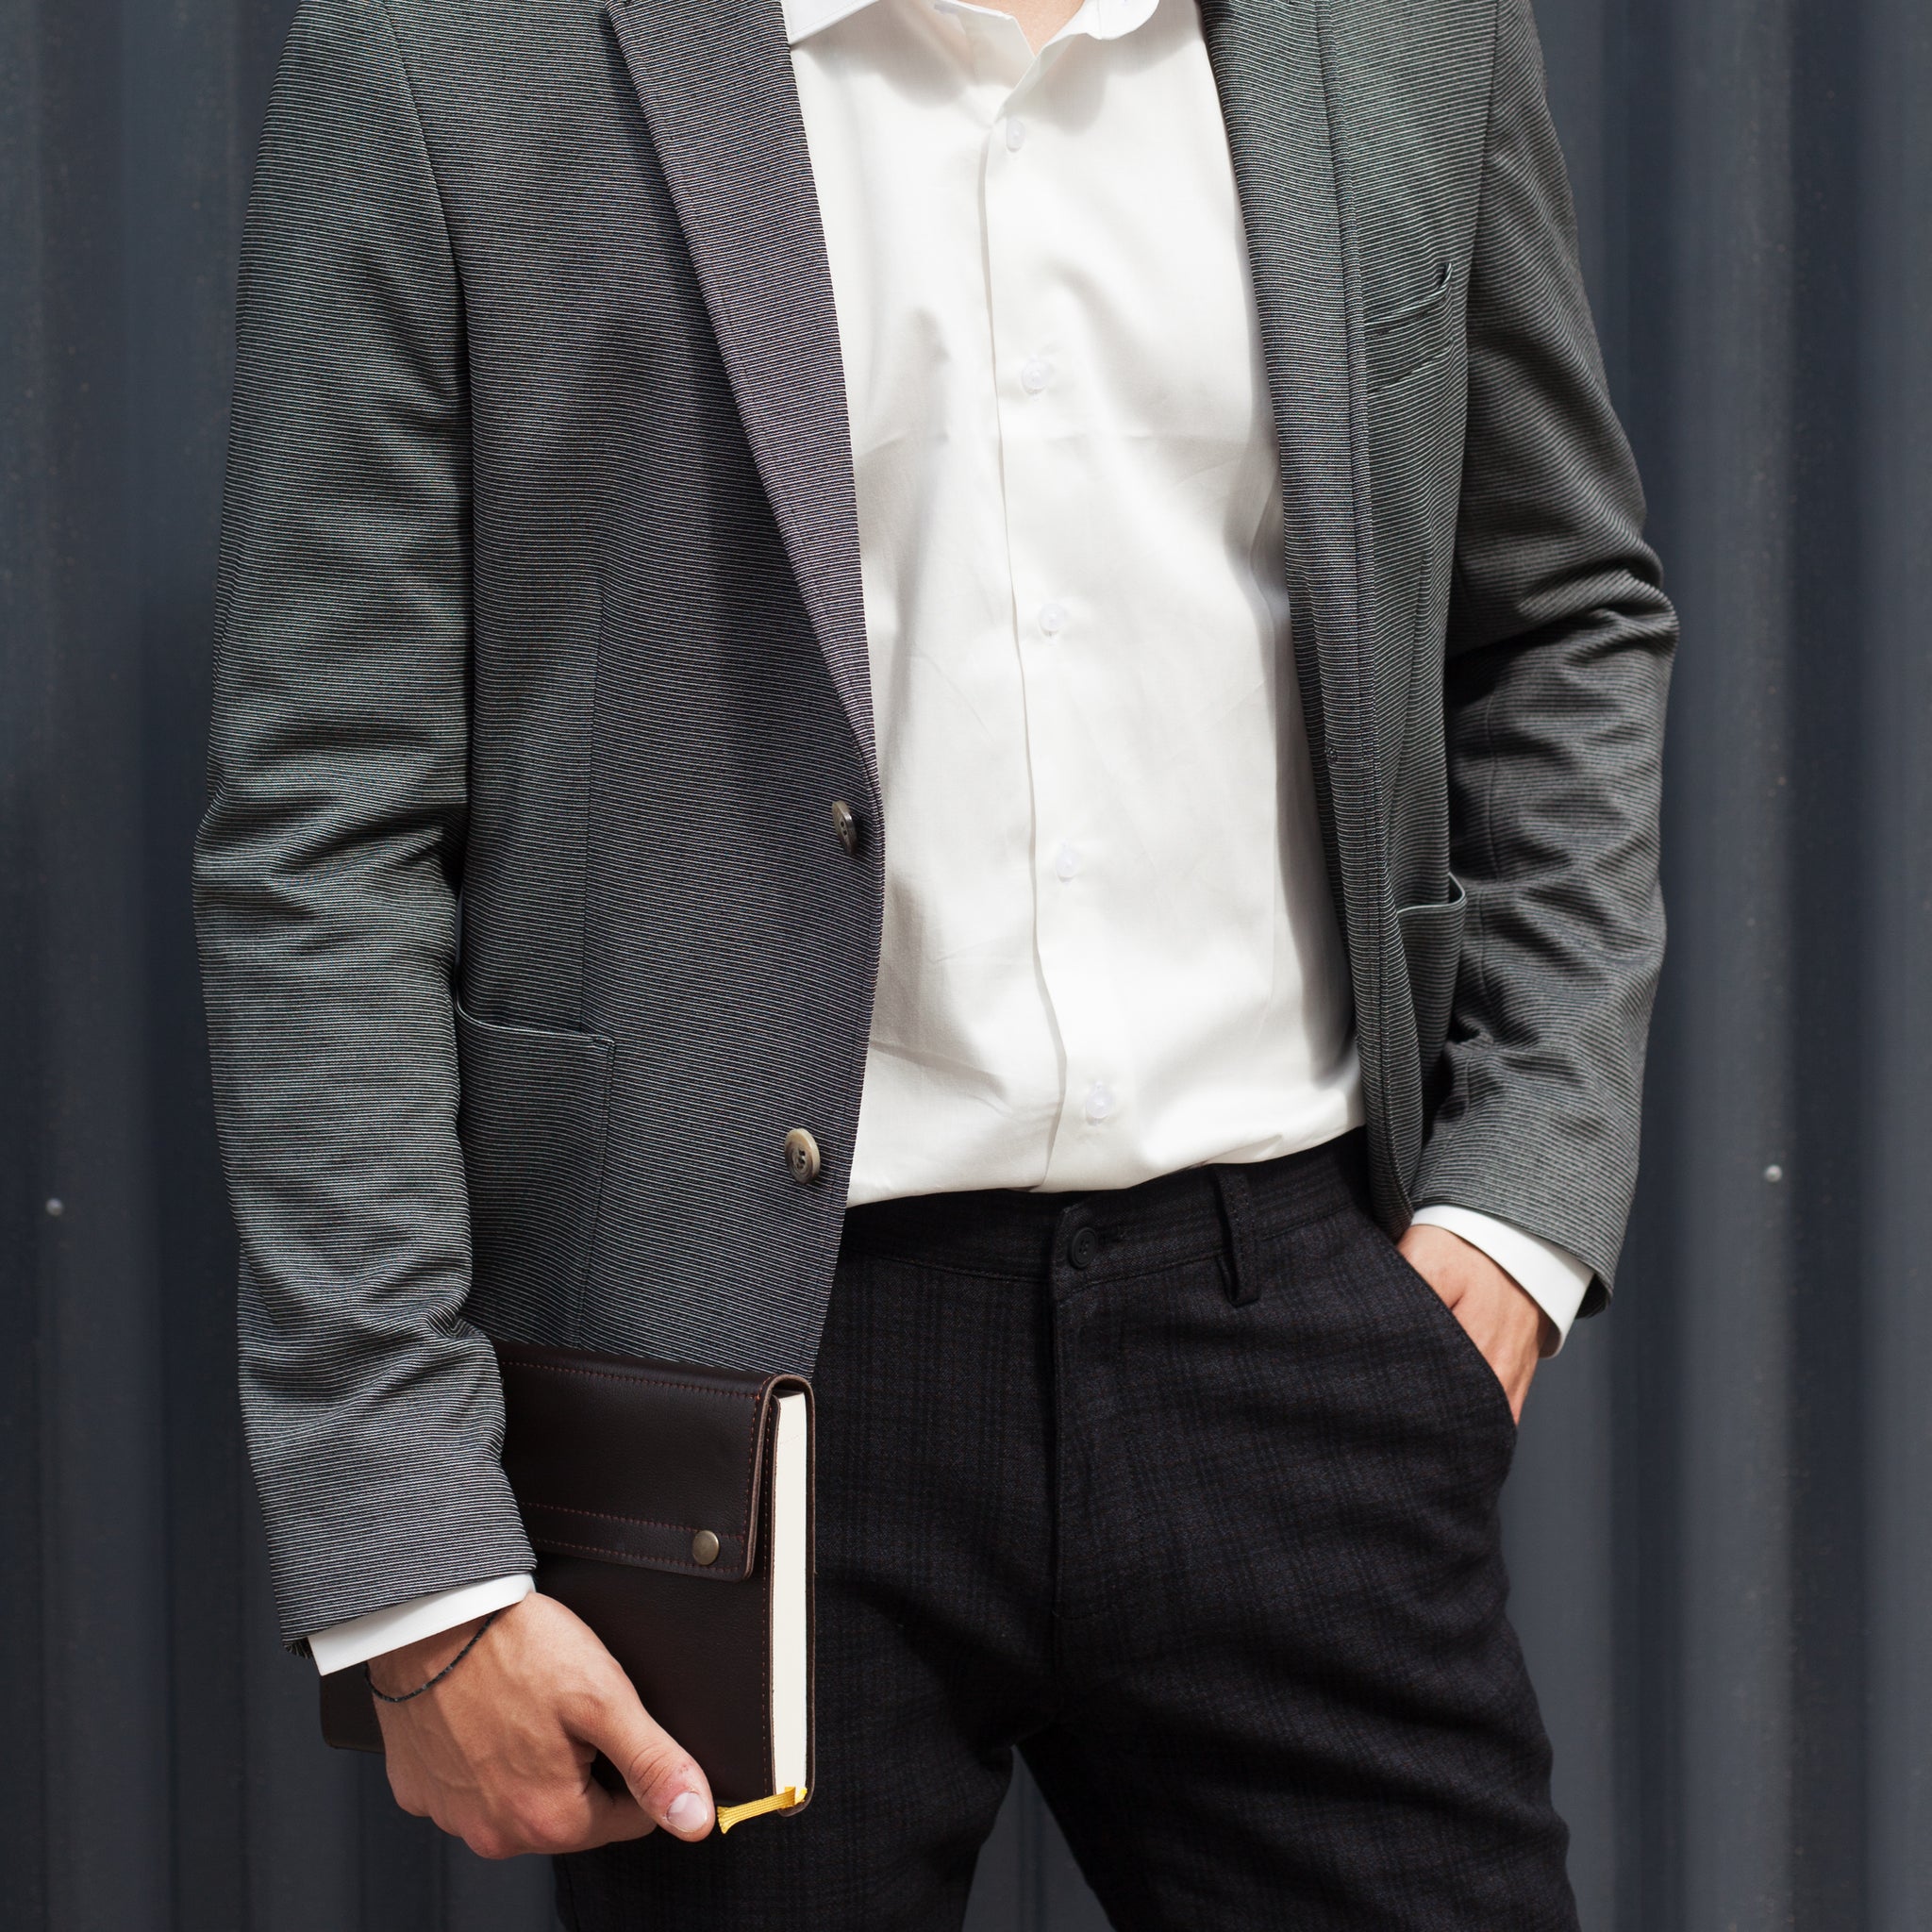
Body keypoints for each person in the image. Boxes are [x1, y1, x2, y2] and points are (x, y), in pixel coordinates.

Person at [194, 0, 1674, 1921]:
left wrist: (1516, 1213)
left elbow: (1554, 614)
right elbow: (325, 809)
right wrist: (414, 1575)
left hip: (1296, 1332)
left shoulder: (1396, 28)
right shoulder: (452, 52)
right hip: (749, 1386)